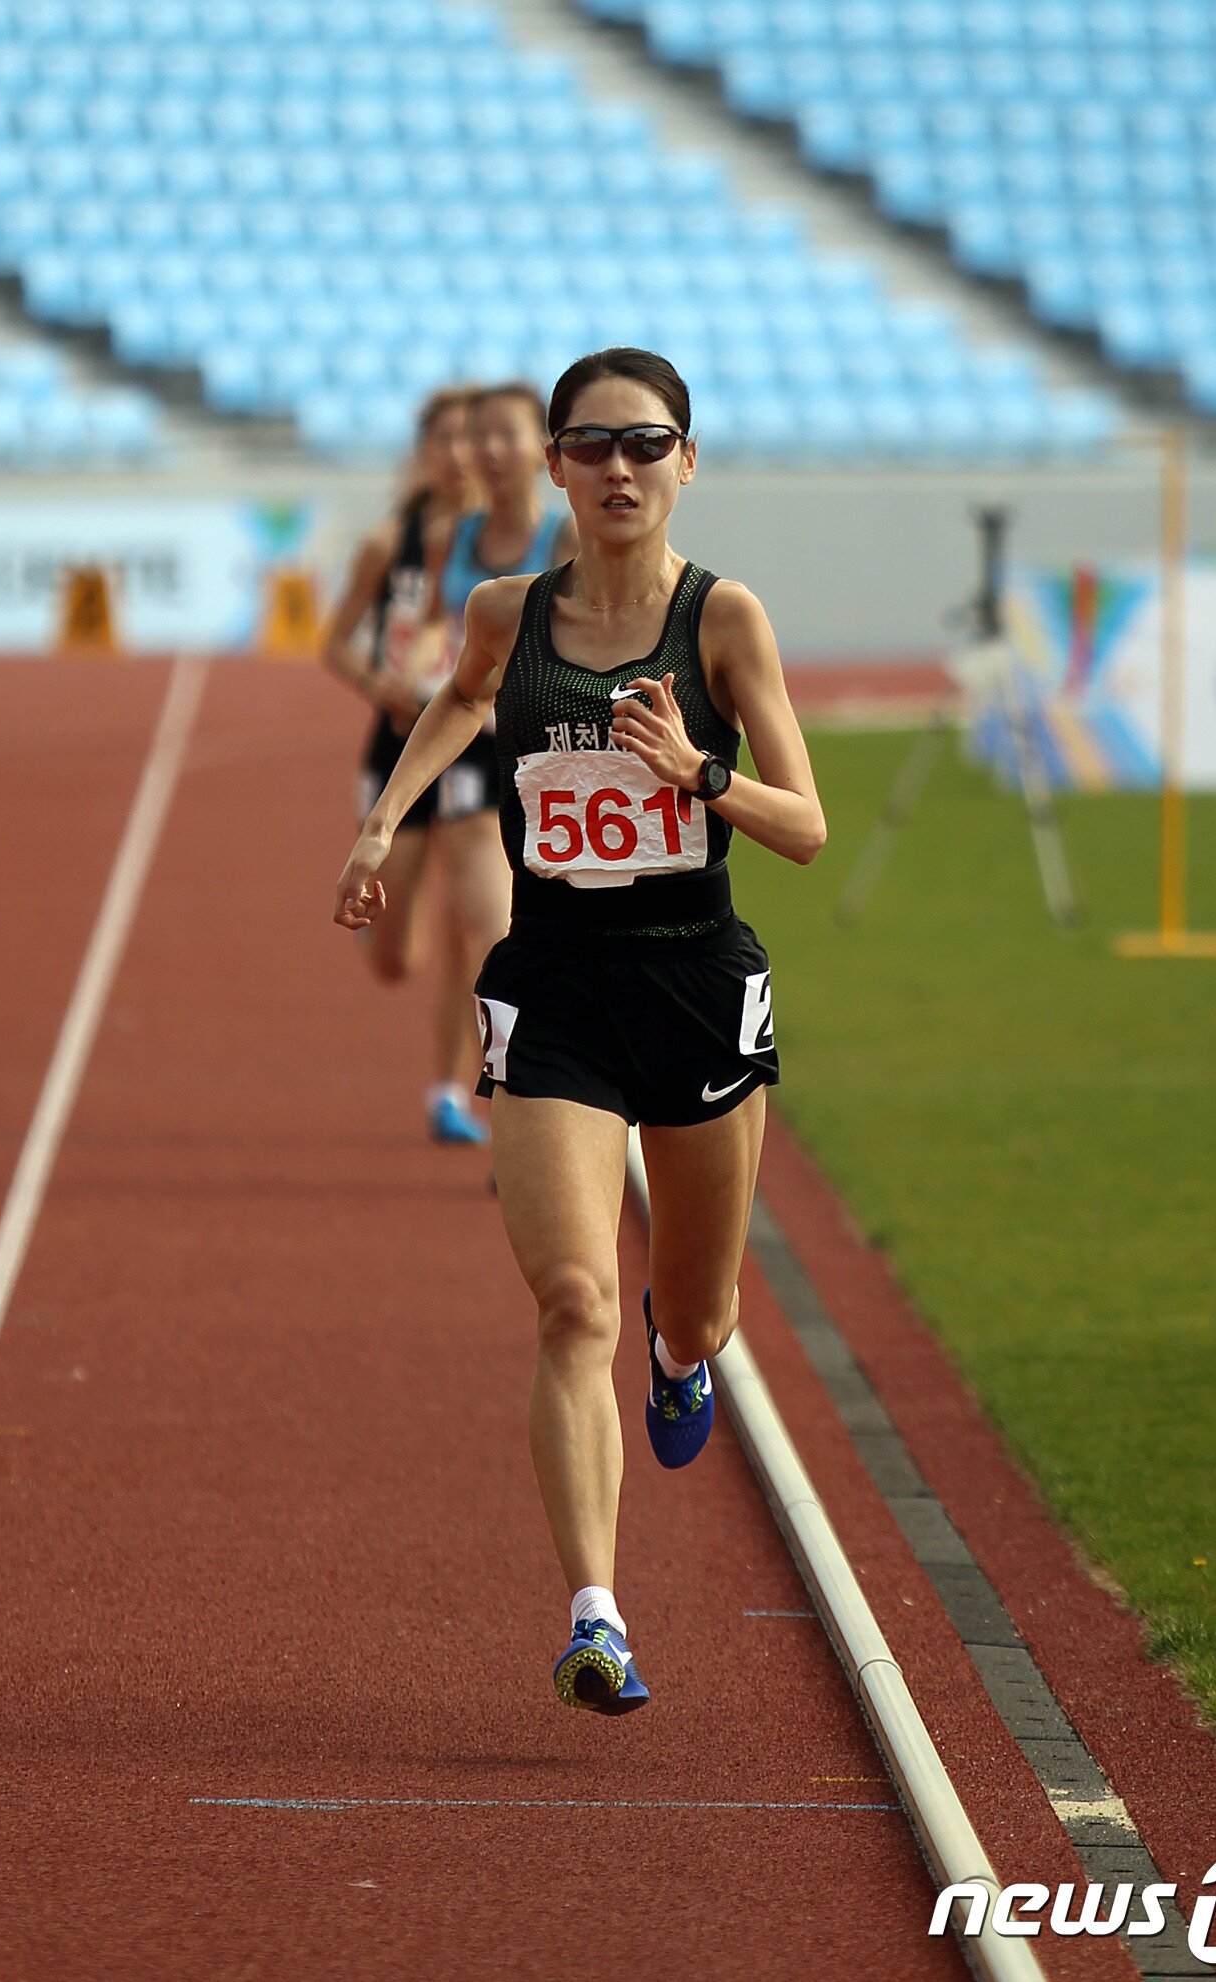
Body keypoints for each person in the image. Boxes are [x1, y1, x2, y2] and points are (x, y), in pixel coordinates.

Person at [333, 348, 826, 1714]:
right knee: (570, 1299)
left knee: (698, 1307)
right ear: (555, 464)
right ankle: (596, 1615)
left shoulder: (724, 620)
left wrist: (698, 772)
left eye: (646, 442)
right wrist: (381, 822)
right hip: (553, 985)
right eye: (593, 444)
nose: (620, 467)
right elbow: (461, 695)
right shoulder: (507, 611)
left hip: (693, 983)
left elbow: (804, 825)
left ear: (687, 460)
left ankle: (680, 1354)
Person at [388, 382, 578, 1141]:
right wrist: (419, 673)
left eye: (507, 434)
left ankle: (537, 1098)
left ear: (546, 452)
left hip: (548, 759)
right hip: (471, 752)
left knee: (541, 938)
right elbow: (435, 626)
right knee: (494, 934)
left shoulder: (564, 538)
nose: (488, 451)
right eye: (479, 436)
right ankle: (508, 1102)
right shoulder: (454, 537)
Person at [320, 385, 495, 1144]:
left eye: (472, 439)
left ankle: (451, 1093)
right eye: (444, 440)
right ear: (423, 453)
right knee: (397, 960)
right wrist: (380, 683)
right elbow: (333, 643)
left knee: (476, 924)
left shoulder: (513, 544)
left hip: (479, 744)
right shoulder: (390, 544)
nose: (459, 455)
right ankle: (386, 931)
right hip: (399, 743)